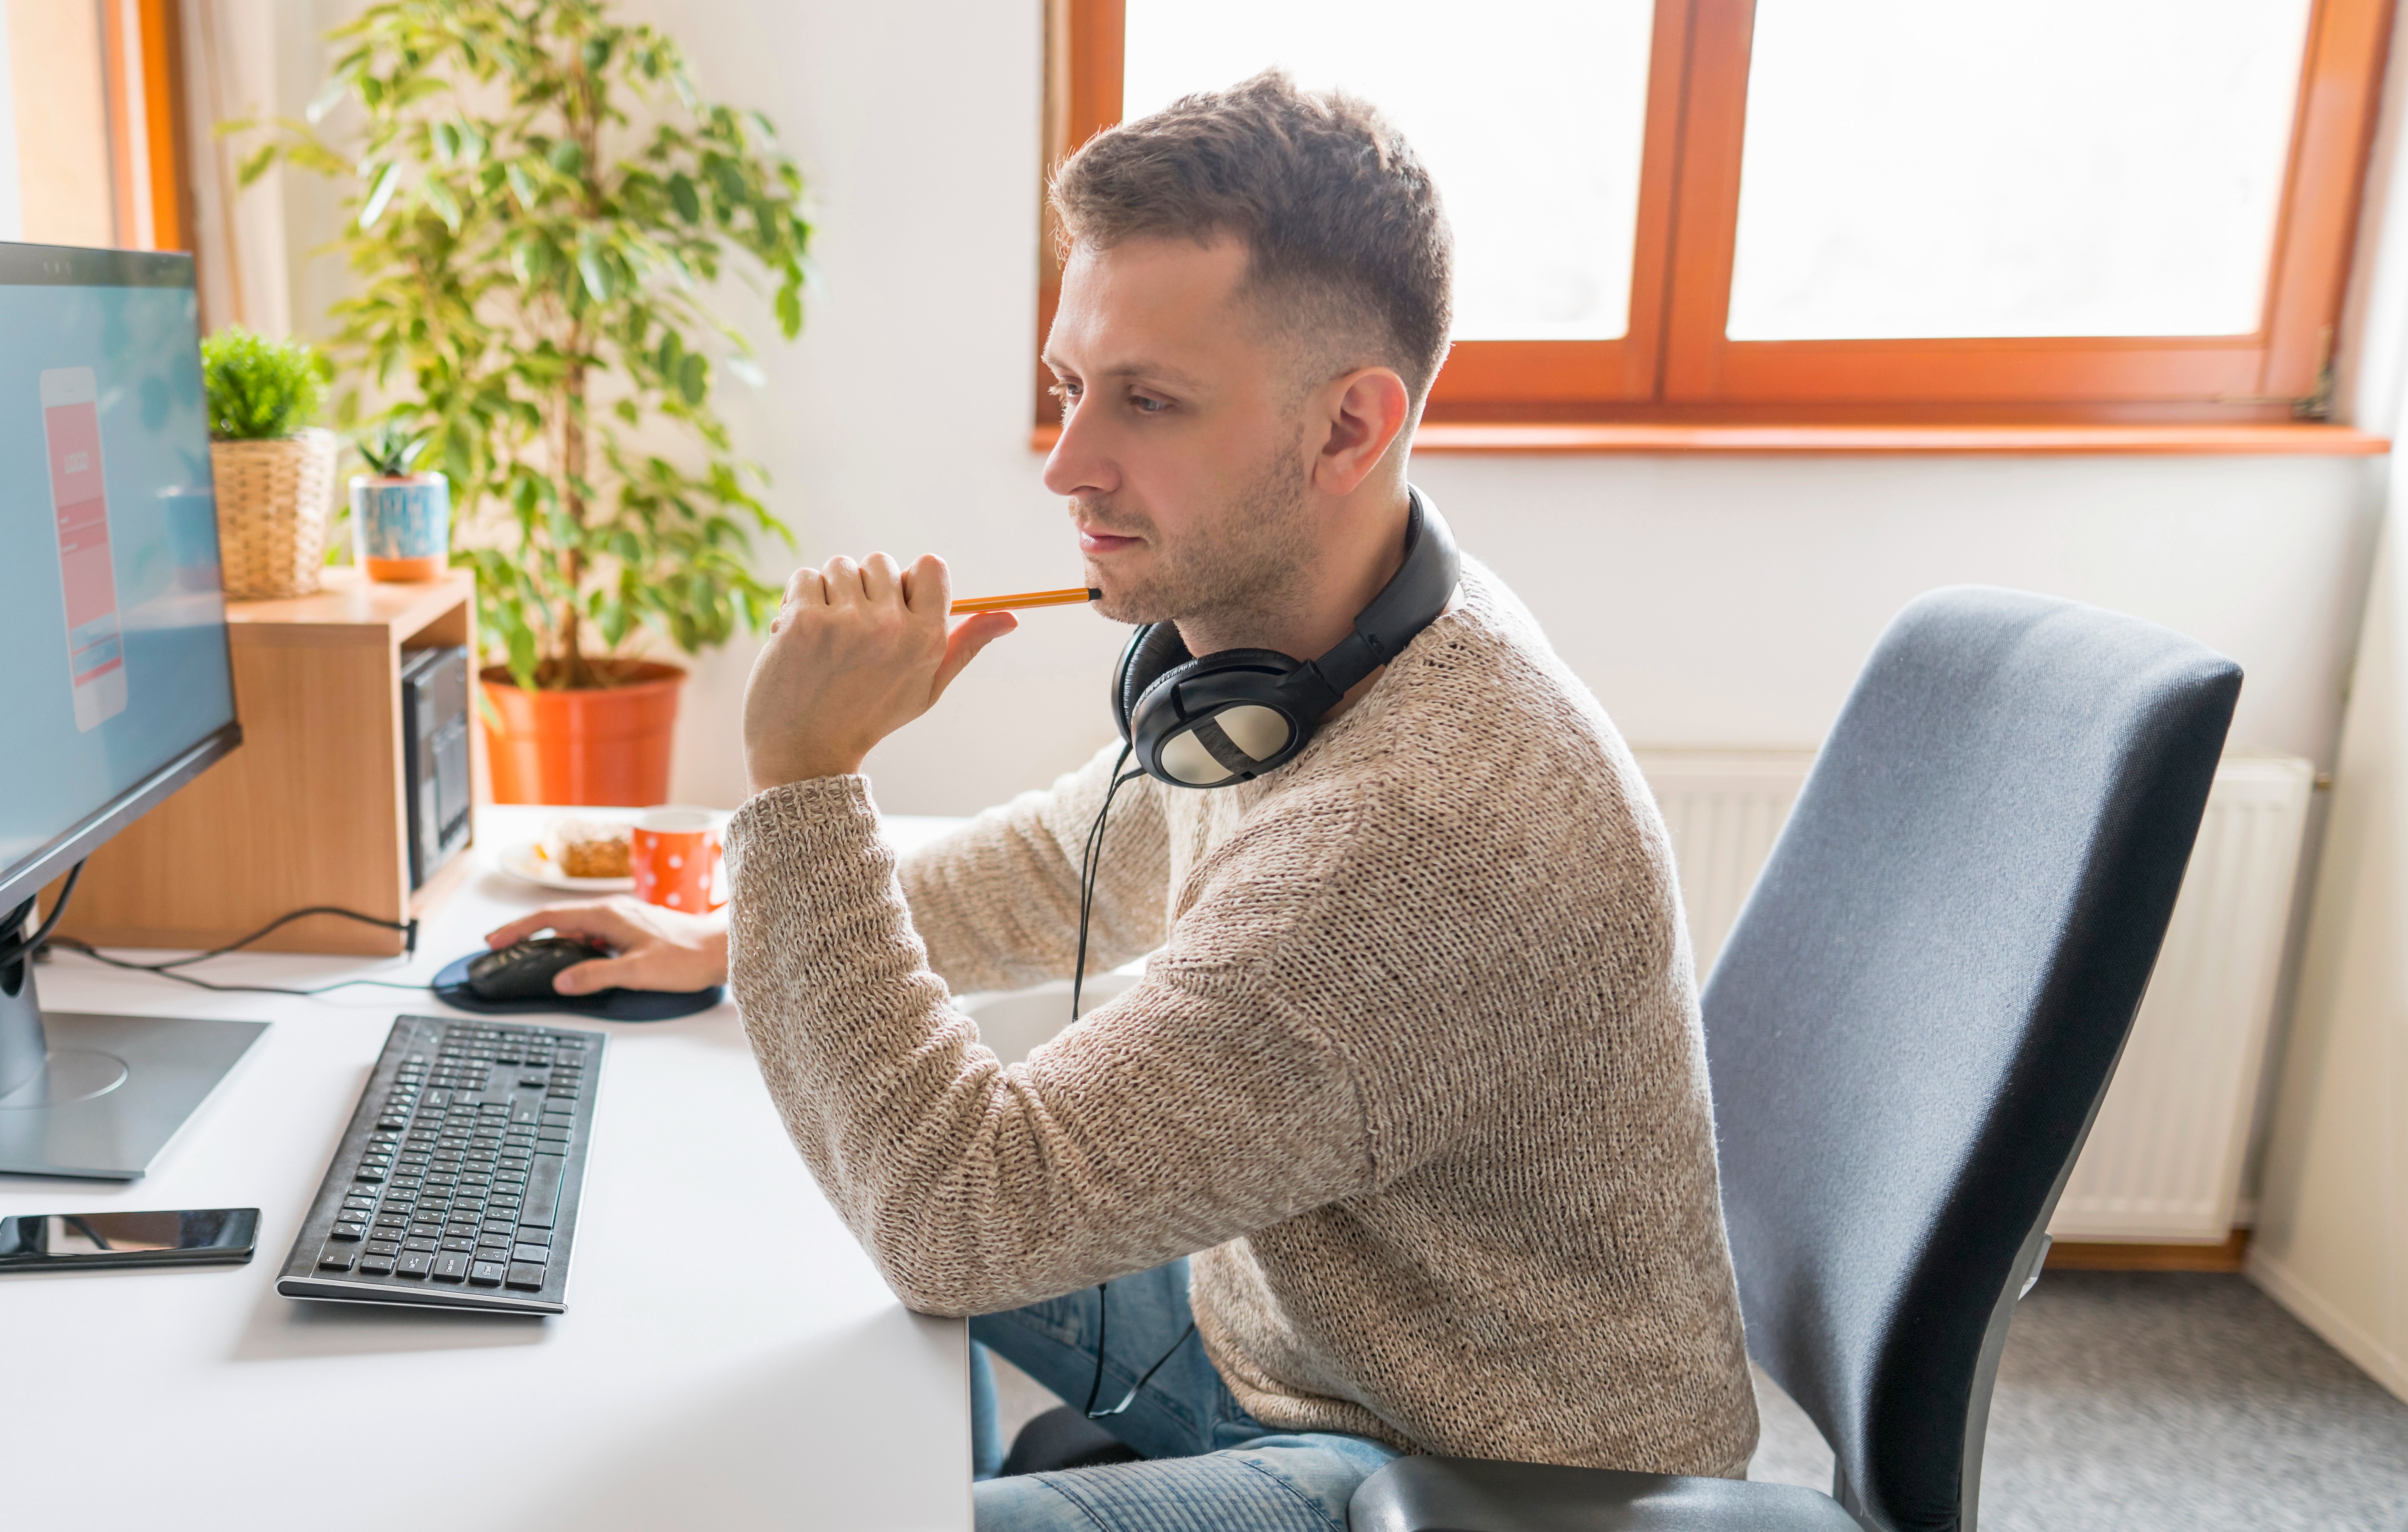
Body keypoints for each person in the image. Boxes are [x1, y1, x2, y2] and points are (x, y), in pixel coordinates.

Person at [486, 70, 1757, 1530]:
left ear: (1350, 428)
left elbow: (955, 1220)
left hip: (1474, 1467)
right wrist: (733, 933)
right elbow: (1063, 860)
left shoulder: (1419, 834)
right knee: (790, 1258)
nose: (1068, 464)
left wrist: (805, 782)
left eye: (1146, 401)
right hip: (1294, 1331)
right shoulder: (1320, 650)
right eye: (1070, 385)